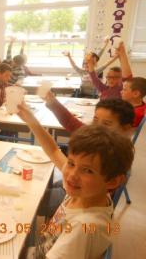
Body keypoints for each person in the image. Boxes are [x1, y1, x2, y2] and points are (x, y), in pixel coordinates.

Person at [17, 105, 134, 258]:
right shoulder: (89, 192)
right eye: (71, 163)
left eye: (88, 170)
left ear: (112, 181)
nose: (71, 175)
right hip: (41, 249)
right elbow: (53, 150)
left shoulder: (81, 228)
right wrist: (31, 121)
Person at [43, 92, 135, 136]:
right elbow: (70, 122)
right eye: (95, 119)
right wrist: (53, 103)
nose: (97, 127)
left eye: (106, 124)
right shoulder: (95, 134)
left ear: (125, 128)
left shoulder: (113, 154)